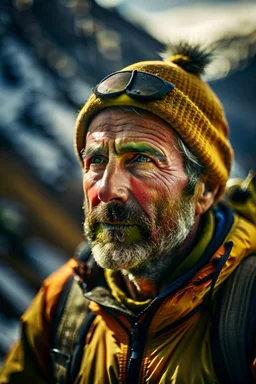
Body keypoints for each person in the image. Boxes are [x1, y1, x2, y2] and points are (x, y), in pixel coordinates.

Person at [1, 42, 256, 384]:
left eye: (141, 159)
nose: (107, 190)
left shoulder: (248, 312)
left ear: (205, 190)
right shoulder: (61, 303)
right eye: (96, 161)